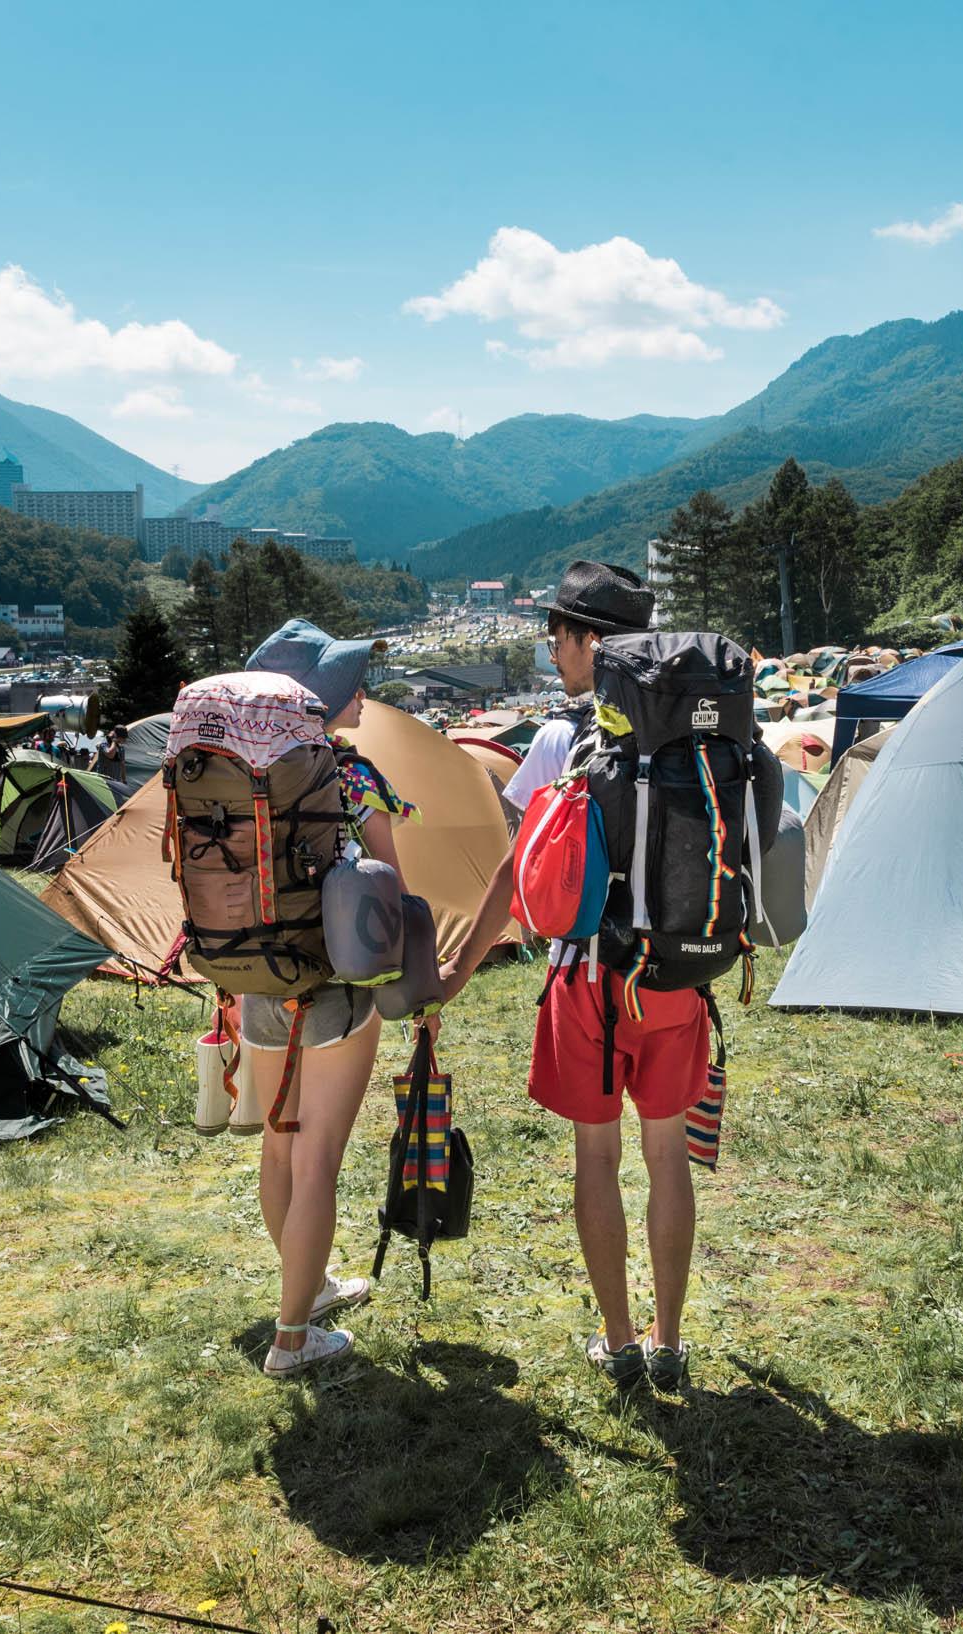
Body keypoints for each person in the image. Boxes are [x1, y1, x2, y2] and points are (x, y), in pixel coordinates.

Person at [441, 561, 705, 1391]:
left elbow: (513, 873)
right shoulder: (699, 730)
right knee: (667, 1154)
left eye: (558, 636)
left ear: (591, 643)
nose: (553, 652)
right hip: (673, 974)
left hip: (586, 977)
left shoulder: (562, 736)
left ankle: (620, 1343)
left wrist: (456, 969)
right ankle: (669, 1342)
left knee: (597, 1155)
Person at [239, 620, 416, 1378]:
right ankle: (291, 1338)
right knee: (318, 1163)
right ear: (320, 701)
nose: (361, 696)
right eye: (349, 686)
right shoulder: (351, 775)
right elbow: (391, 887)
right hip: (336, 990)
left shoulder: (242, 772)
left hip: (255, 982)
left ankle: (306, 1289)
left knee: (280, 1149)